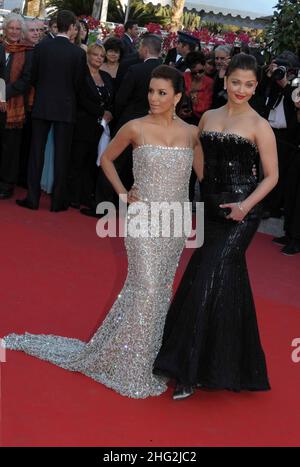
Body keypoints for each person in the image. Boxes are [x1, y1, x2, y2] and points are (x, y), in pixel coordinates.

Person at [2, 65, 203, 399]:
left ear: (178, 97)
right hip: (143, 219)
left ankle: (141, 356)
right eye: (151, 91)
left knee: (159, 290)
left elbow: (204, 177)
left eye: (161, 93)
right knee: (147, 286)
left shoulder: (191, 134)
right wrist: (124, 194)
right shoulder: (135, 127)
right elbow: (106, 159)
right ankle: (132, 367)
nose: (153, 98)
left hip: (176, 222)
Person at [154, 53, 279, 400]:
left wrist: (244, 206)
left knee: (207, 276)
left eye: (249, 84)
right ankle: (229, 363)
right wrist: (203, 182)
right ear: (226, 81)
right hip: (210, 206)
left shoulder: (259, 125)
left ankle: (188, 371)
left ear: (256, 87)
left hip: (242, 213)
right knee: (220, 280)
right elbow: (198, 151)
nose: (241, 90)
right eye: (236, 82)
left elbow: (272, 177)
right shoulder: (208, 116)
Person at [16, 10, 87, 212]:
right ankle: (57, 202)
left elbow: (33, 77)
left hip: (42, 105)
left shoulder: (42, 47)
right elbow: (78, 84)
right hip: (66, 108)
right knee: (62, 155)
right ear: (72, 26)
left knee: (36, 153)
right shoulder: (78, 53)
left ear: (57, 25)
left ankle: (32, 198)